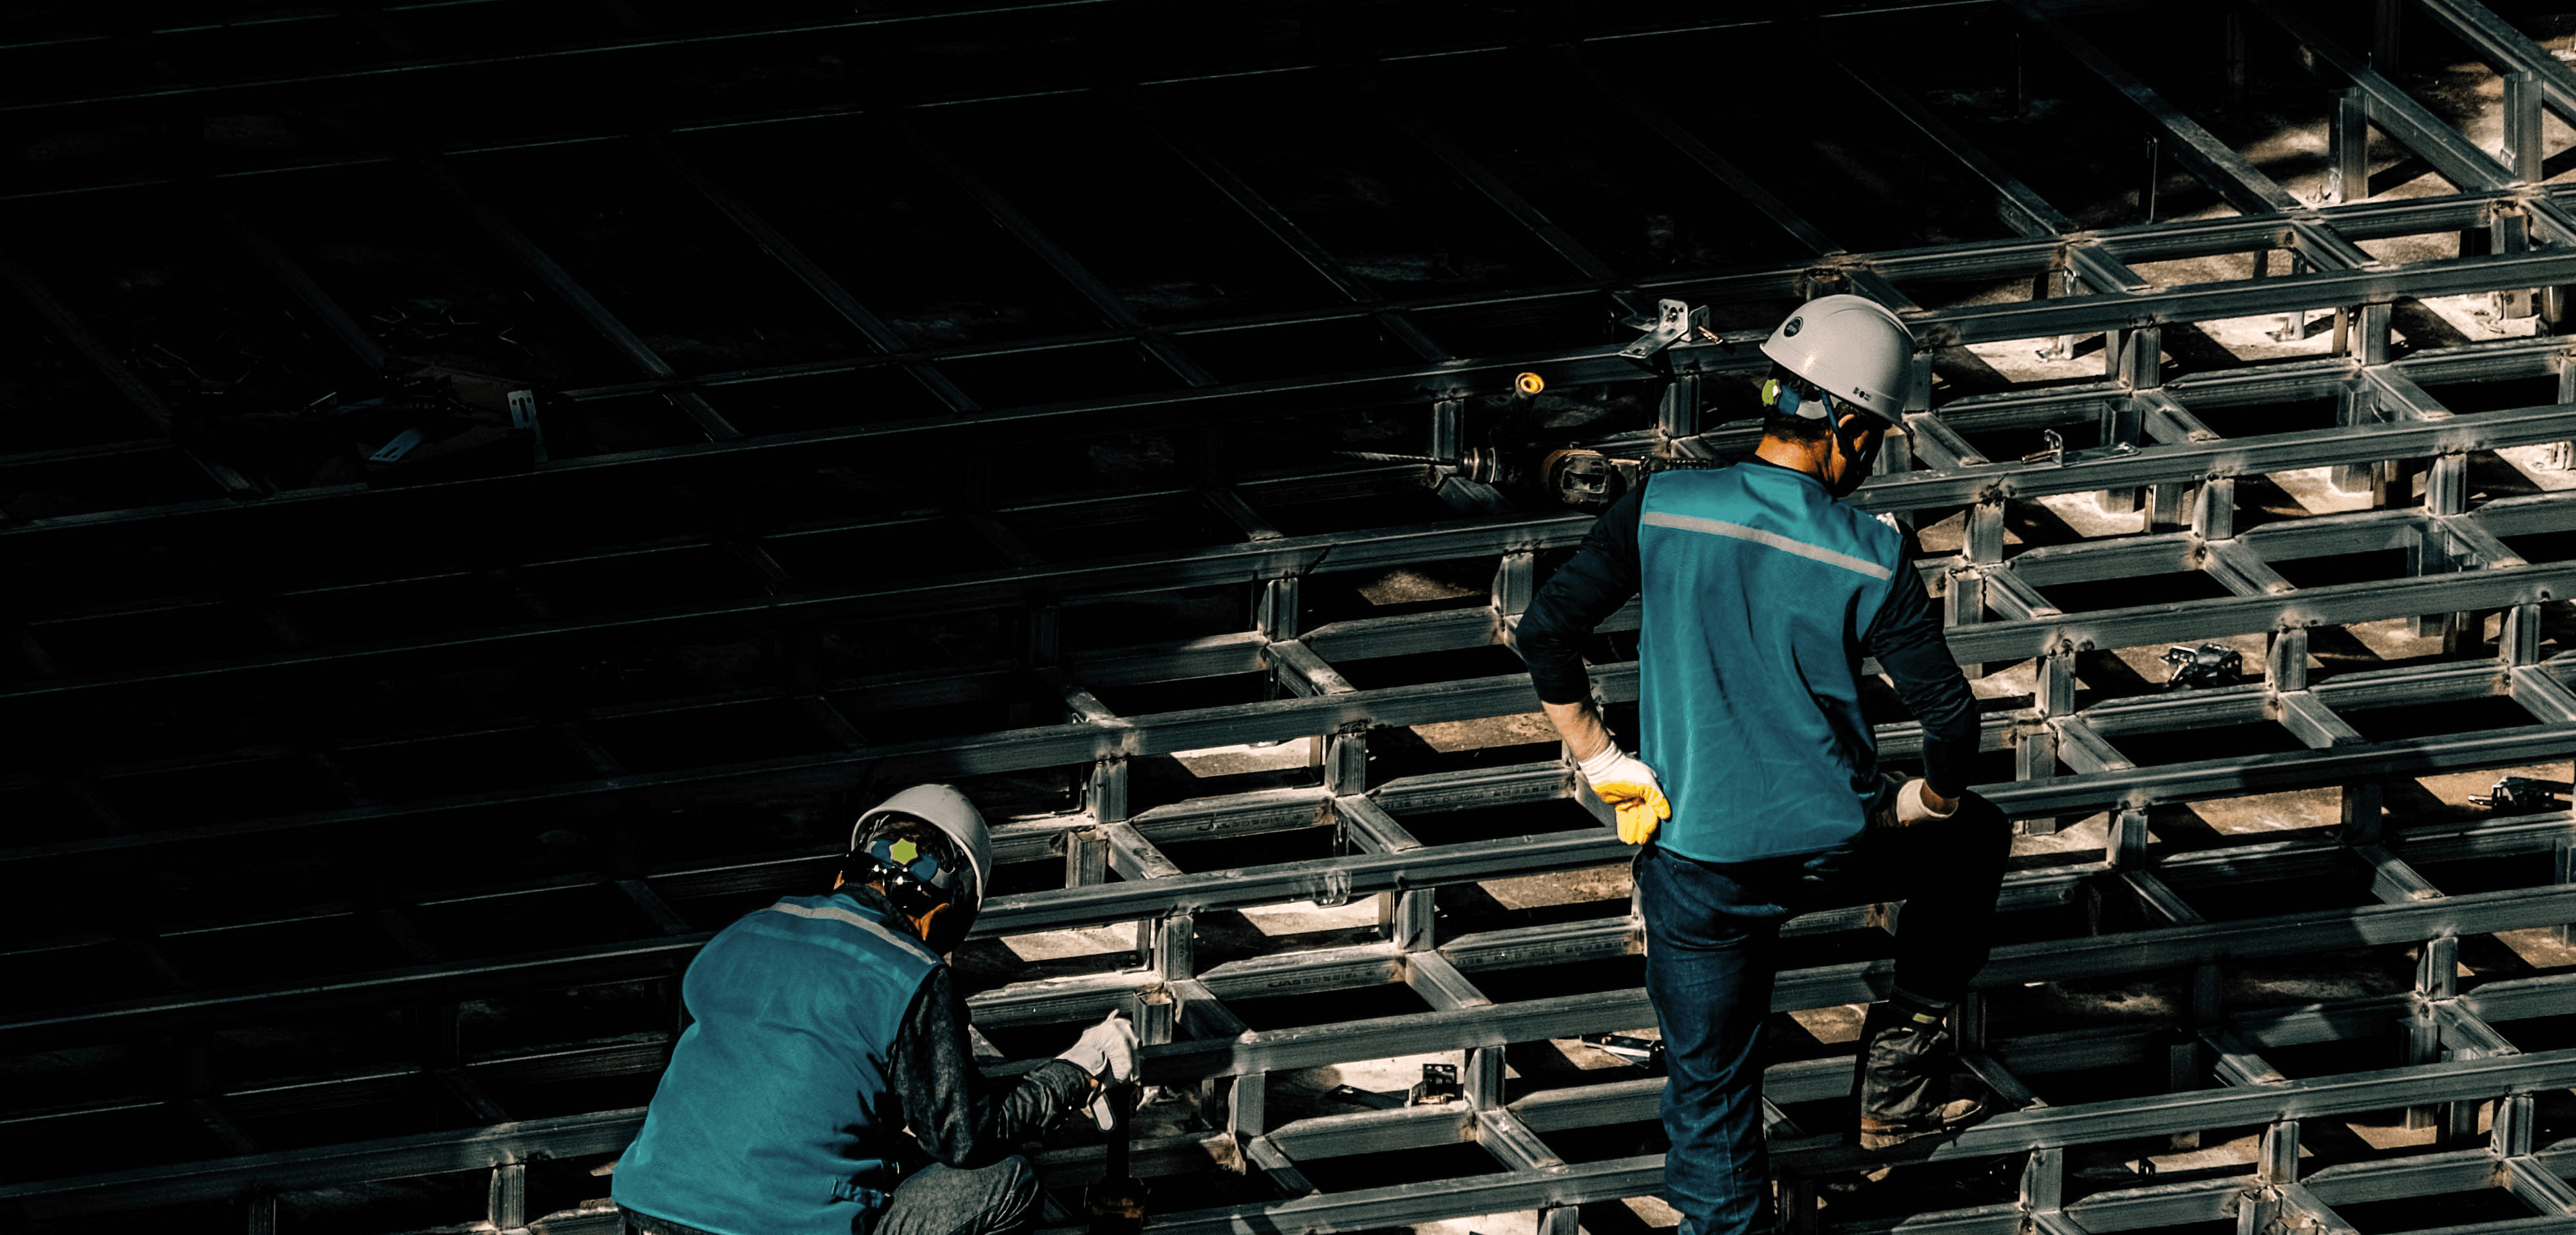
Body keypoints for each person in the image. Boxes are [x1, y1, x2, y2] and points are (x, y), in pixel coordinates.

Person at [1515, 295, 2011, 1235]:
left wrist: (1600, 755)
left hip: (1698, 855)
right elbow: (1951, 715)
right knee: (1974, 834)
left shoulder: (1662, 505)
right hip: (1831, 843)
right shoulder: (1870, 552)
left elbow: (1548, 631)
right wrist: (1930, 801)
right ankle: (1898, 1076)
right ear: (1851, 429)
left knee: (1714, 1090)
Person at [612, 784, 1139, 1235]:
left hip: (649, 1210)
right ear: (953, 906)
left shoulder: (744, 929)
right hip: (779, 1224)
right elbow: (964, 1137)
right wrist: (1076, 1071)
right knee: (1006, 1181)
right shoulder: (911, 975)